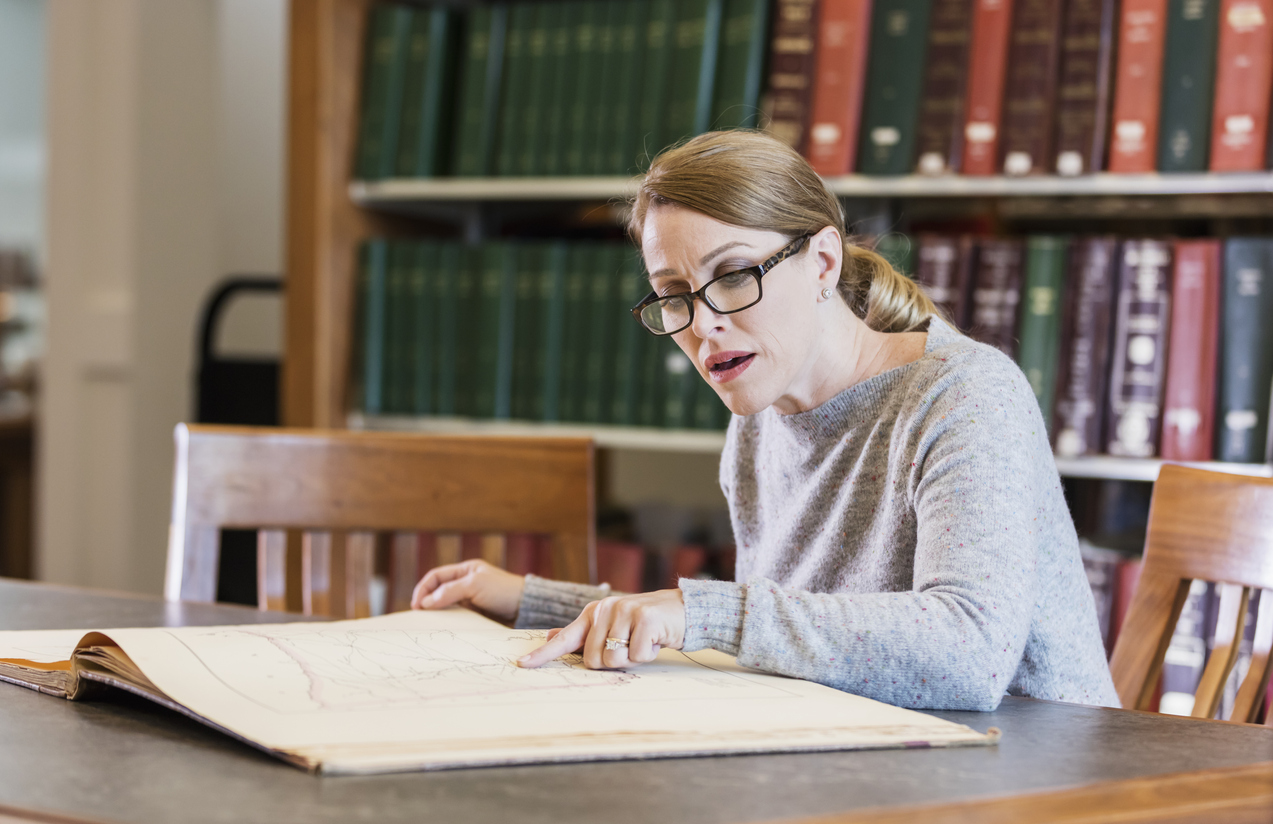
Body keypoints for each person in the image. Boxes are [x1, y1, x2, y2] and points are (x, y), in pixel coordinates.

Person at [412, 130, 1119, 712]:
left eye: (732, 276)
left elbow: (967, 656)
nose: (705, 325)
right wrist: (531, 600)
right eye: (674, 295)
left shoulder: (964, 394)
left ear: (821, 261)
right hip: (876, 762)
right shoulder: (758, 420)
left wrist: (706, 614)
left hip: (1032, 779)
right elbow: (791, 630)